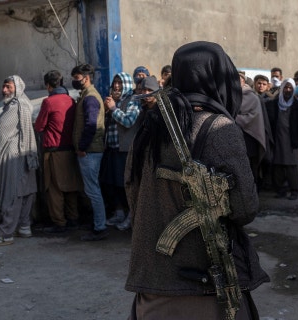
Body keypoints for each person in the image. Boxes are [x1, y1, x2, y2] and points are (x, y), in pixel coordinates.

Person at [125, 41, 269, 319]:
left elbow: (132, 191)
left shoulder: (150, 125)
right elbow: (245, 208)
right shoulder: (220, 128)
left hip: (152, 283)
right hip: (206, 288)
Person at [0, 76, 38, 247]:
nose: (4, 90)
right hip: (25, 153)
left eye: (8, 87)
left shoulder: (17, 106)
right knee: (25, 191)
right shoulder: (20, 104)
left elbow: (1, 128)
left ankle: (6, 233)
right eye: (4, 86)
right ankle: (24, 226)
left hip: (14, 154)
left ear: (18, 88)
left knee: (13, 193)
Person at [34, 70, 82, 234]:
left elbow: (39, 126)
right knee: (70, 186)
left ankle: (59, 222)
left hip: (54, 151)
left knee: (54, 189)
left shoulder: (49, 102)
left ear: (48, 85)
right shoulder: (71, 101)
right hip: (70, 150)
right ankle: (73, 218)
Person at [70, 63, 109, 241]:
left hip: (90, 151)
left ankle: (100, 227)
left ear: (86, 78)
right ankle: (97, 223)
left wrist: (82, 147)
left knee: (93, 189)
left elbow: (91, 125)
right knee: (92, 188)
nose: (74, 82)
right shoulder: (87, 96)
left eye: (76, 78)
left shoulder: (91, 98)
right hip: (90, 150)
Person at [102, 72, 141, 231]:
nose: (116, 86)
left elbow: (128, 121)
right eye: (115, 83)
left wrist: (113, 109)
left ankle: (131, 216)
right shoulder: (114, 101)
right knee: (113, 184)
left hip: (125, 150)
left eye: (120, 83)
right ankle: (119, 212)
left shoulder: (132, 100)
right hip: (112, 149)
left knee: (126, 184)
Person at [266, 78, 298, 200]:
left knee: (292, 166)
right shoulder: (274, 104)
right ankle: (280, 190)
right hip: (277, 139)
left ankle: (294, 190)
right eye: (286, 87)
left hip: (292, 140)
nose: (288, 90)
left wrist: (297, 135)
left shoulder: (297, 106)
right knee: (278, 164)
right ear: (282, 88)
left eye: (290, 88)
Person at [235, 71, 267, 185]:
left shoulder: (251, 96)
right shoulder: (232, 95)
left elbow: (252, 117)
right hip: (237, 138)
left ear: (244, 81)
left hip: (250, 136)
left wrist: (234, 118)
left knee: (251, 168)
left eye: (239, 79)